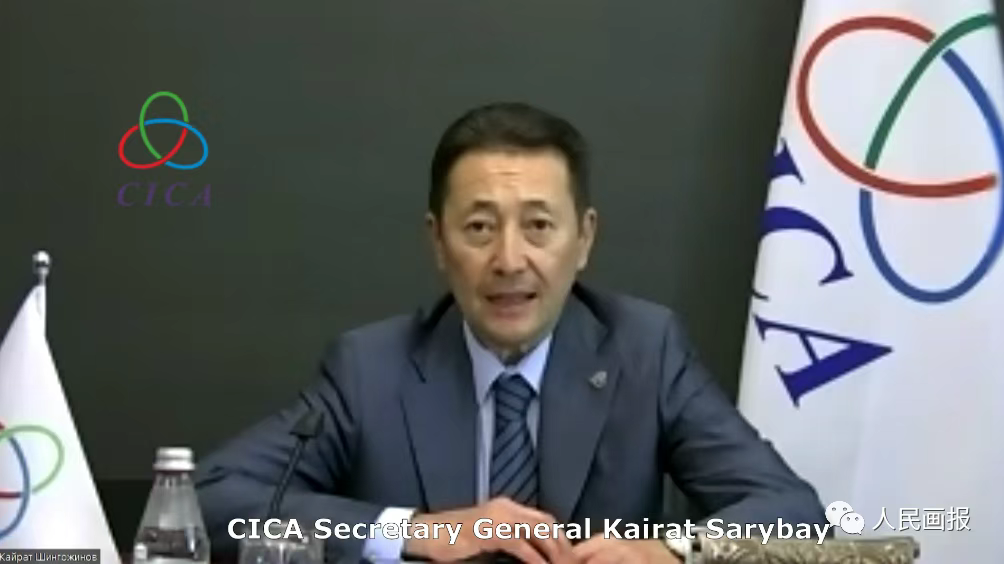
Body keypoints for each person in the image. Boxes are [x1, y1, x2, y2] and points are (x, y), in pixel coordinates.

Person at [194, 102, 827, 563]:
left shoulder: (644, 350)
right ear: (437, 242)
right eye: (478, 228)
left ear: (584, 239)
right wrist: (418, 531)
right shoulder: (371, 368)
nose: (509, 259)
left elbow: (794, 515)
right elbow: (205, 503)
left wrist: (672, 551)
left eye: (538, 226)